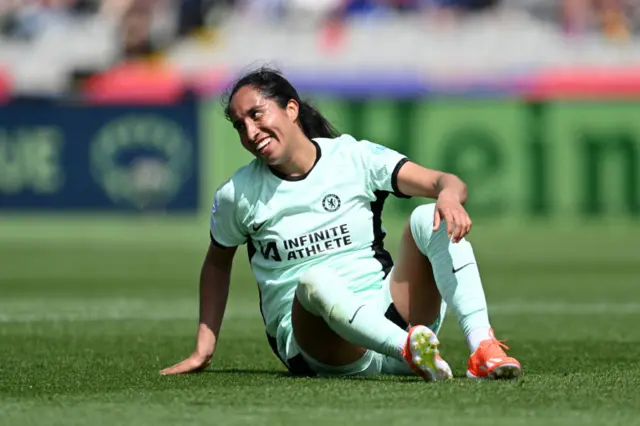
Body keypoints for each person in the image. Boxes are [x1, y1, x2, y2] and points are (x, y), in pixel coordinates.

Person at [160, 67, 521, 380]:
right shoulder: (237, 194)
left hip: (395, 315)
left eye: (257, 115)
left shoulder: (352, 158)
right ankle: (409, 350)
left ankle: (482, 347)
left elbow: (446, 181)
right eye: (241, 125)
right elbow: (217, 264)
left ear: (291, 109)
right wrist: (203, 349)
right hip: (325, 346)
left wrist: (448, 197)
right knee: (314, 279)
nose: (251, 132)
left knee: (429, 216)